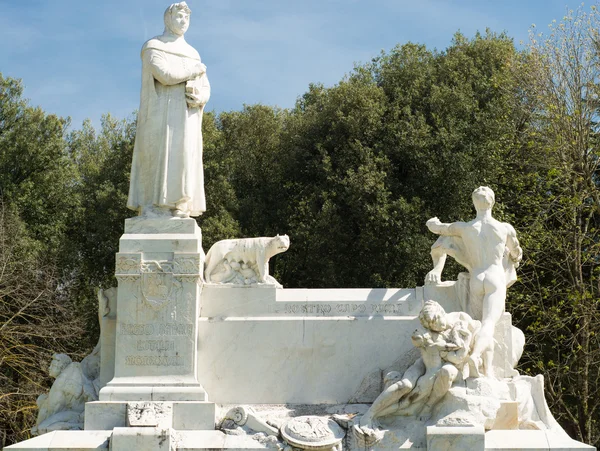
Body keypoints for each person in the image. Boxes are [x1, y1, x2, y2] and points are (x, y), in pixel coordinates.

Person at [425, 186, 522, 377]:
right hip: (494, 279)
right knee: (488, 325)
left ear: (474, 203)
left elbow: (438, 229)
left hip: (476, 279)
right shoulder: (504, 228)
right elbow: (516, 252)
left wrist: (432, 222)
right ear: (492, 202)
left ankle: (487, 371)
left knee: (477, 324)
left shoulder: (464, 228)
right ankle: (475, 356)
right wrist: (512, 257)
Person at [127, 2, 210, 218]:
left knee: (183, 157)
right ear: (168, 19)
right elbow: (164, 75)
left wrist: (200, 96)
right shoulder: (153, 46)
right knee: (158, 158)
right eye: (179, 17)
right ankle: (151, 206)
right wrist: (193, 70)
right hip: (159, 117)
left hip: (186, 117)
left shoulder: (193, 53)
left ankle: (180, 205)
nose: (183, 22)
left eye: (187, 18)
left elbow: (205, 86)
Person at [355, 301, 479, 440]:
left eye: (435, 321)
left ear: (442, 313)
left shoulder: (461, 320)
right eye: (430, 325)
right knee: (405, 385)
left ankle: (427, 407)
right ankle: (370, 414)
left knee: (445, 372)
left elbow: (459, 356)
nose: (434, 326)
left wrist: (465, 342)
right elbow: (418, 340)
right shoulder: (428, 332)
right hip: (426, 363)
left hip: (451, 365)